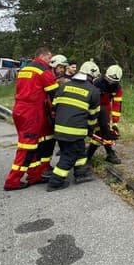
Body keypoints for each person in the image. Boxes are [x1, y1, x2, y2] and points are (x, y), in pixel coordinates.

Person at [3, 47, 58, 191]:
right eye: (49, 58)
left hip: (20, 109)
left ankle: (35, 175)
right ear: (43, 56)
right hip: (32, 112)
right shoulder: (43, 71)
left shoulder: (25, 69)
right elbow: (55, 94)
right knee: (27, 147)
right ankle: (12, 180)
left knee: (34, 143)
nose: (50, 62)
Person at [46, 60, 101, 191]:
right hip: (75, 131)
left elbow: (54, 107)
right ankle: (55, 182)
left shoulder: (64, 86)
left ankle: (81, 173)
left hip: (59, 129)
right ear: (91, 76)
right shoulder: (93, 91)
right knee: (69, 155)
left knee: (80, 149)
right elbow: (93, 116)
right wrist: (90, 130)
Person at [87, 64, 124, 165]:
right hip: (93, 107)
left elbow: (117, 105)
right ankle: (108, 154)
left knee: (104, 131)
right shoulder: (96, 83)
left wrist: (115, 123)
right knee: (97, 131)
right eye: (109, 80)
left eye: (114, 82)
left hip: (105, 108)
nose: (111, 83)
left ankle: (90, 155)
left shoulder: (118, 89)